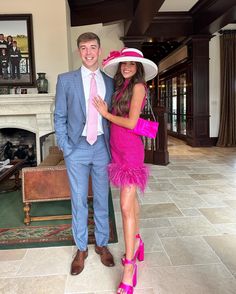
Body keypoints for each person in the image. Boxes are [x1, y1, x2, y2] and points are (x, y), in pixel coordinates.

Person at [93, 48, 158, 294]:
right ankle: (137, 241)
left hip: (130, 151)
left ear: (138, 67)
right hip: (117, 150)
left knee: (124, 207)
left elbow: (131, 123)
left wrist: (106, 114)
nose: (127, 67)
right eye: (124, 64)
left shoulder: (139, 87)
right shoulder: (121, 87)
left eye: (131, 64)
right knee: (130, 205)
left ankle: (129, 268)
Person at [54, 32, 115, 276]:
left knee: (102, 198)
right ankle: (81, 248)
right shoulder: (66, 80)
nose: (88, 52)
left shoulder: (110, 82)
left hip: (101, 146)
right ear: (79, 51)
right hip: (76, 147)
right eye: (83, 48)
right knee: (78, 201)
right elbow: (59, 116)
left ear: (99, 50)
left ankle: (101, 243)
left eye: (92, 47)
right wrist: (66, 148)